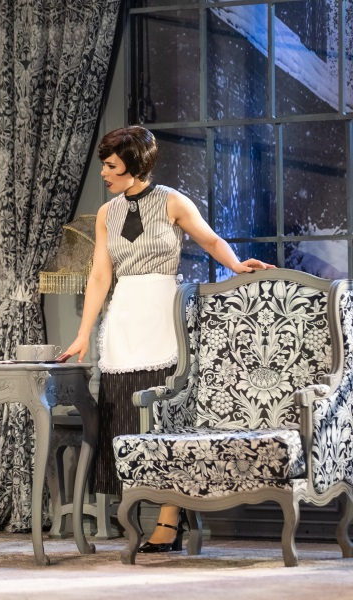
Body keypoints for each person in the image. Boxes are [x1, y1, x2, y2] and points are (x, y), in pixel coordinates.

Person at [59, 126, 274, 552]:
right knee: (126, 415)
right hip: (124, 322)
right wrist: (83, 334)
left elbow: (210, 238)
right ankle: (138, 510)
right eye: (104, 165)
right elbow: (100, 275)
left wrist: (236, 265)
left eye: (111, 166)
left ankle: (169, 519)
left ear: (134, 165)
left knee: (165, 416)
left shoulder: (173, 201)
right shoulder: (106, 214)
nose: (104, 173)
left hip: (163, 316)